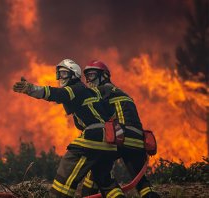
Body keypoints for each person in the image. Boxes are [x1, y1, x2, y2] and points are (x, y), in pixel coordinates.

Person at [13, 59, 125, 198]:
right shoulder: (91, 92)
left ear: (74, 75)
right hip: (109, 142)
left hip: (94, 137)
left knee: (66, 169)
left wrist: (31, 89)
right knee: (104, 180)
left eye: (64, 73)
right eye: (59, 74)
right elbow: (110, 114)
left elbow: (57, 94)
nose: (60, 77)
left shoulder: (75, 88)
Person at [80, 60, 160, 198]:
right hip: (137, 140)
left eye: (92, 75)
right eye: (86, 77)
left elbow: (95, 117)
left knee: (101, 175)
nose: (88, 80)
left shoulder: (99, 92)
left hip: (119, 137)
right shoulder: (123, 93)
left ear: (104, 76)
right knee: (142, 183)